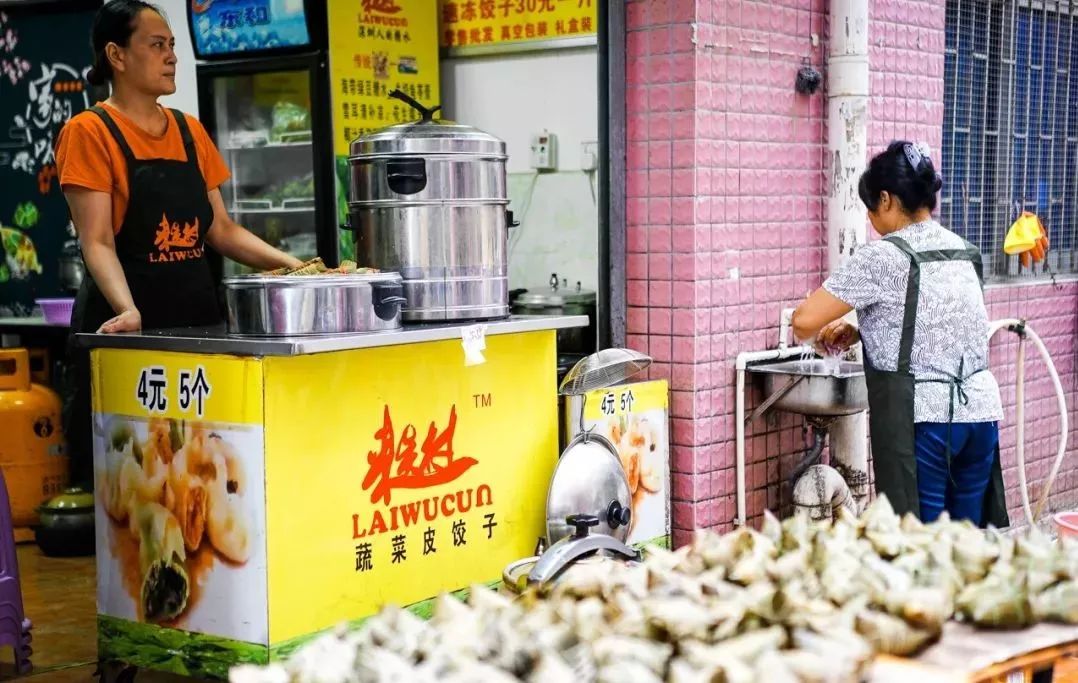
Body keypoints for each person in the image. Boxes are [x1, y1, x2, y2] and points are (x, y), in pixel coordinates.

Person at [56, 0, 303, 486]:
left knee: (203, 478)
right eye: (157, 45)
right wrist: (126, 310)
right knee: (136, 484)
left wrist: (297, 267)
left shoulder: (189, 131)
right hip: (130, 337)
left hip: (197, 331)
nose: (172, 57)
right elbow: (98, 240)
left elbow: (222, 230)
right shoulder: (89, 132)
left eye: (172, 46)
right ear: (117, 55)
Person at [791, 140, 1007, 527]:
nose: (872, 220)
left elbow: (805, 321)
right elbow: (936, 320)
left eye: (871, 209)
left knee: (918, 543)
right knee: (967, 546)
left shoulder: (885, 255)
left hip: (926, 426)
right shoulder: (963, 250)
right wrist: (861, 329)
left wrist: (836, 322)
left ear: (887, 200)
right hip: (980, 418)